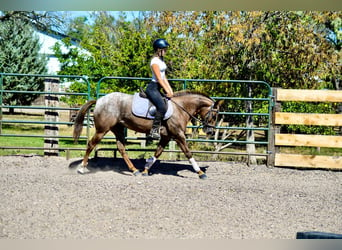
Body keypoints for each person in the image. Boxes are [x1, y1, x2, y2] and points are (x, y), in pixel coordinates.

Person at [145, 38, 174, 139]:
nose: (166, 51)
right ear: (158, 50)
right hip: (153, 88)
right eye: (164, 49)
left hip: (158, 87)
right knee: (161, 106)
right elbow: (159, 78)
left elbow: (164, 77)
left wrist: (170, 90)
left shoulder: (161, 61)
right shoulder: (154, 62)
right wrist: (166, 90)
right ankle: (154, 130)